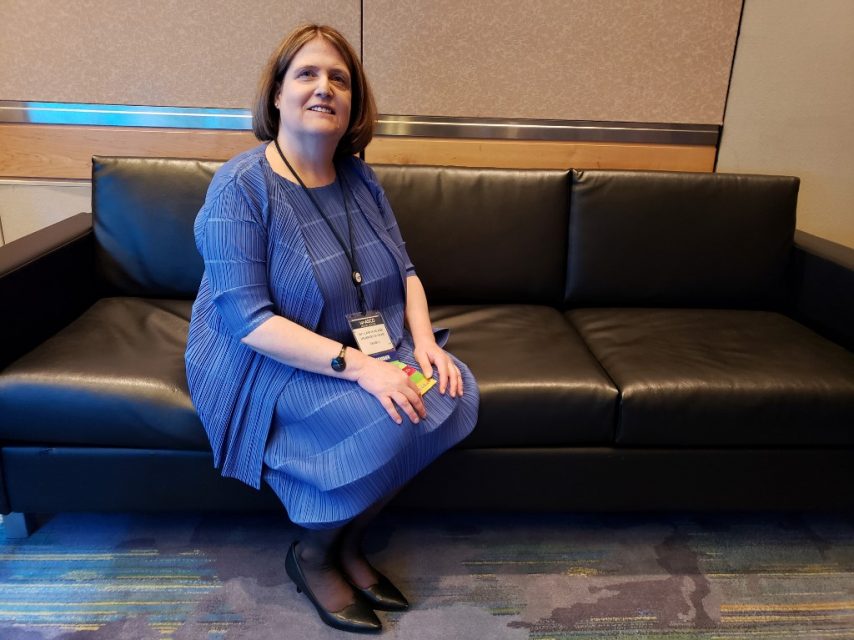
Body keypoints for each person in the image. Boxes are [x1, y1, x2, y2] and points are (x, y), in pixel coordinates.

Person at [185, 24, 479, 633]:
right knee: (388, 417)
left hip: (356, 341)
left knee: (452, 391)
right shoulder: (240, 187)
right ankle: (314, 554)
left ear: (353, 102)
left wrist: (425, 344)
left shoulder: (359, 178)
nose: (324, 88)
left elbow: (406, 273)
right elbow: (247, 320)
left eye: (339, 79)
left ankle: (349, 541)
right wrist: (365, 369)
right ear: (277, 95)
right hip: (262, 360)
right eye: (307, 74)